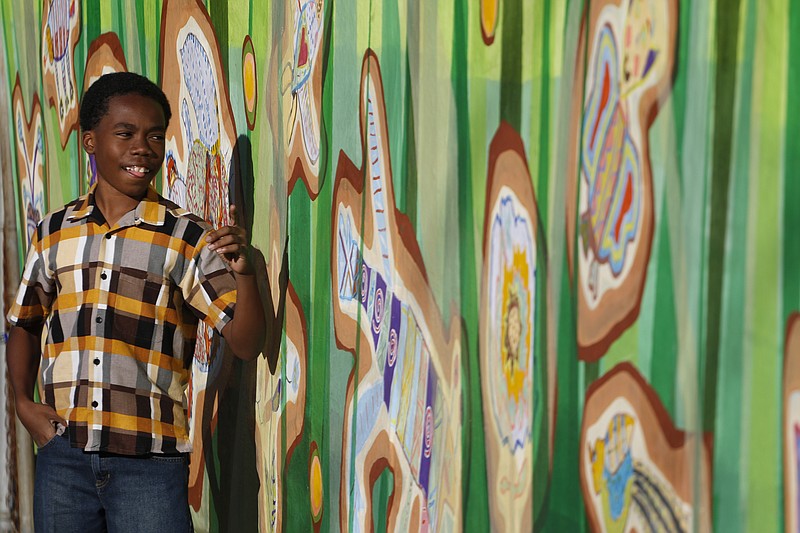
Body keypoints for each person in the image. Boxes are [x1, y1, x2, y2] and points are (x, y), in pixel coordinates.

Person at [6, 72, 271, 532]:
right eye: (125, 133)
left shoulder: (186, 236)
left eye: (154, 135)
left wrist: (246, 274)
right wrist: (20, 403)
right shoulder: (54, 231)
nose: (142, 148)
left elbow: (246, 342)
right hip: (63, 456)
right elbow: (25, 323)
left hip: (149, 462)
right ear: (90, 141)